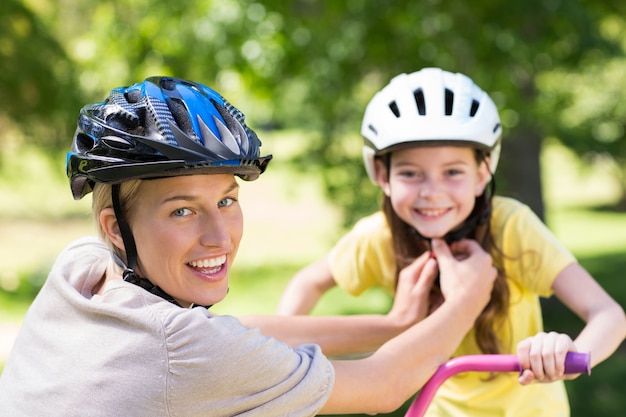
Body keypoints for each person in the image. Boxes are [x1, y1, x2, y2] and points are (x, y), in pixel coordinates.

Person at [0, 75, 499, 416]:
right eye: (182, 210)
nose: (220, 236)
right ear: (115, 227)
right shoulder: (188, 351)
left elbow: (236, 335)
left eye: (227, 201)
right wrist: (469, 296)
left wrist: (395, 323)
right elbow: (385, 385)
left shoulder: (79, 272)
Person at [276, 68, 626, 416]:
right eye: (410, 173)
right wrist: (274, 364)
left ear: (482, 173)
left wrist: (568, 351)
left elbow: (608, 314)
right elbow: (309, 281)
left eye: (453, 172)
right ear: (382, 175)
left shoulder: (510, 227)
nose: (431, 192)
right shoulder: (380, 236)